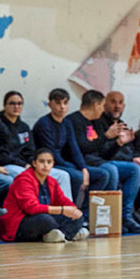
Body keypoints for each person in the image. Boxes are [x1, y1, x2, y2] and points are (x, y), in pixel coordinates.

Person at [66, 90, 140, 233]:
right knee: (110, 170)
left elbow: (103, 153)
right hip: (81, 162)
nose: (103, 109)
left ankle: (125, 216)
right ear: (95, 105)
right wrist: (106, 136)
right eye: (103, 105)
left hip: (97, 160)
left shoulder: (94, 122)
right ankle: (104, 217)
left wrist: (118, 142)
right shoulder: (73, 121)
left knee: (134, 169)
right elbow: (82, 148)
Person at [31, 88, 110, 218]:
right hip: (48, 164)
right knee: (77, 176)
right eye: (58, 103)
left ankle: (84, 215)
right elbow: (51, 153)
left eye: (65, 103)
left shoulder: (66, 123)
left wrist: (83, 168)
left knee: (102, 174)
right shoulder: (43, 123)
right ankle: (68, 215)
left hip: (64, 163)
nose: (62, 107)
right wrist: (76, 169)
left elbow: (74, 149)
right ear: (50, 104)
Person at [0, 149, 89, 243]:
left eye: (49, 162)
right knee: (46, 220)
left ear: (53, 164)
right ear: (34, 163)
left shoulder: (52, 181)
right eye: (42, 161)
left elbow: (63, 200)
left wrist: (74, 210)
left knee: (78, 217)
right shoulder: (23, 180)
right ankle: (67, 234)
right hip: (19, 224)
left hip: (43, 218)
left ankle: (58, 236)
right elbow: (31, 208)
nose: (45, 165)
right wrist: (62, 210)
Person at [0, 90, 73, 202]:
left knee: (63, 175)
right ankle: (37, 212)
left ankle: (66, 212)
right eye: (12, 103)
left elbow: (31, 150)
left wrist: (33, 163)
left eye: (19, 103)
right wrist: (25, 165)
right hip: (9, 165)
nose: (16, 107)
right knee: (26, 175)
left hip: (27, 165)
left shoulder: (24, 127)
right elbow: (2, 154)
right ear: (4, 105)